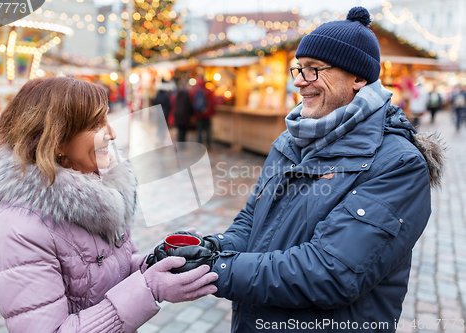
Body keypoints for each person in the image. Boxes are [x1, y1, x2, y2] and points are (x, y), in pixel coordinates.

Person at [160, 7, 444, 332]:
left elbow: (330, 271)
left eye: (313, 70)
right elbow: (254, 222)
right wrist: (210, 248)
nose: (298, 81)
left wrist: (215, 268)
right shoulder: (291, 140)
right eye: (298, 69)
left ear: (359, 77)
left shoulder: (397, 163)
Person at [0, 77, 218, 333]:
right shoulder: (19, 229)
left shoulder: (102, 193)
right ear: (56, 140)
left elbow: (107, 274)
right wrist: (149, 288)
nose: (112, 133)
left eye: (107, 119)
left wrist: (156, 263)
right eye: (96, 124)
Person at [190, 77, 215, 149]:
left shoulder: (194, 90)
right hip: (207, 114)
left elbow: (192, 102)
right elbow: (212, 103)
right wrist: (211, 112)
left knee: (199, 130)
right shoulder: (208, 91)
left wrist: (193, 113)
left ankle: (199, 145)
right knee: (208, 131)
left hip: (198, 114)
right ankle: (208, 144)